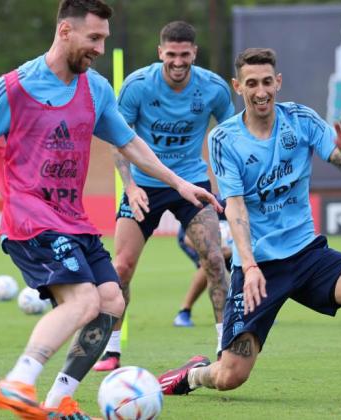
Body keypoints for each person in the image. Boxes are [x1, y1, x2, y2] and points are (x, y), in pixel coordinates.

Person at [0, 2, 220, 419]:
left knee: (110, 301)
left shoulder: (97, 89)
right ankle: (17, 381)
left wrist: (178, 182)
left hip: (73, 219)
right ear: (65, 31)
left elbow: (129, 143)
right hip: (30, 219)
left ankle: (57, 404)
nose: (101, 48)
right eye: (94, 38)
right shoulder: (16, 86)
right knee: (85, 300)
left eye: (104, 38)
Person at [157, 47, 341, 409]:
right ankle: (191, 374)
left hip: (307, 255)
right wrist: (249, 266)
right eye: (252, 83)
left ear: (278, 82)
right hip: (261, 268)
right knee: (229, 375)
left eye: (267, 81)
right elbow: (235, 209)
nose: (261, 91)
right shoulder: (225, 140)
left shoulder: (301, 121)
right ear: (239, 87)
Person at [93, 20, 234, 372]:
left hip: (192, 183)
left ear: (194, 53)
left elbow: (230, 135)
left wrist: (230, 187)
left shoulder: (214, 88)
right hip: (144, 186)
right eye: (171, 54)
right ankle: (111, 352)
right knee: (121, 267)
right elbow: (117, 139)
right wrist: (129, 185)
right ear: (161, 53)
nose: (178, 61)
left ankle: (225, 348)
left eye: (184, 55)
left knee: (215, 261)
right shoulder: (137, 86)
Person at [173, 201, 233, 328]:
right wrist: (215, 252)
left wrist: (234, 249)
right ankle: (184, 312)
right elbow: (187, 238)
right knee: (210, 264)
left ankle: (253, 310)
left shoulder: (243, 202)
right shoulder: (213, 202)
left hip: (230, 247)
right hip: (196, 240)